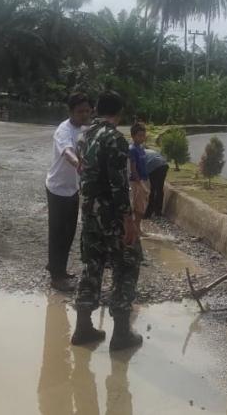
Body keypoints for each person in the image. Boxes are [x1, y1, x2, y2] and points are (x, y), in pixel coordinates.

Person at [72, 91, 143, 351]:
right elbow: (118, 184)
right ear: (119, 112)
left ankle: (83, 327)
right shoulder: (114, 139)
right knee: (128, 263)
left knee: (92, 265)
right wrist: (128, 221)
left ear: (97, 110)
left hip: (89, 212)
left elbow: (83, 171)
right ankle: (122, 332)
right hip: (111, 216)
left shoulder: (84, 136)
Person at [45, 92, 93, 293]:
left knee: (69, 232)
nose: (84, 114)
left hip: (72, 189)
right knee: (58, 233)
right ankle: (56, 277)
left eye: (87, 111)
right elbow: (68, 153)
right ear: (71, 111)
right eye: (80, 111)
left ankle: (59, 268)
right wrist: (80, 165)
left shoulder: (85, 129)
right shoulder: (63, 130)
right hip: (57, 188)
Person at [129, 123, 150, 237]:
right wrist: (141, 184)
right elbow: (133, 168)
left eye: (143, 135)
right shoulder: (132, 150)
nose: (142, 138)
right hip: (137, 181)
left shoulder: (141, 149)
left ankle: (137, 227)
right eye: (139, 135)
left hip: (144, 179)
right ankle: (136, 229)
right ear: (133, 136)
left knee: (141, 206)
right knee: (138, 207)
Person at [144, 148, 169, 219]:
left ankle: (148, 213)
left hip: (155, 167)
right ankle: (158, 212)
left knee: (153, 189)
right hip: (164, 165)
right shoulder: (151, 151)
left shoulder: (139, 153)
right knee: (159, 189)